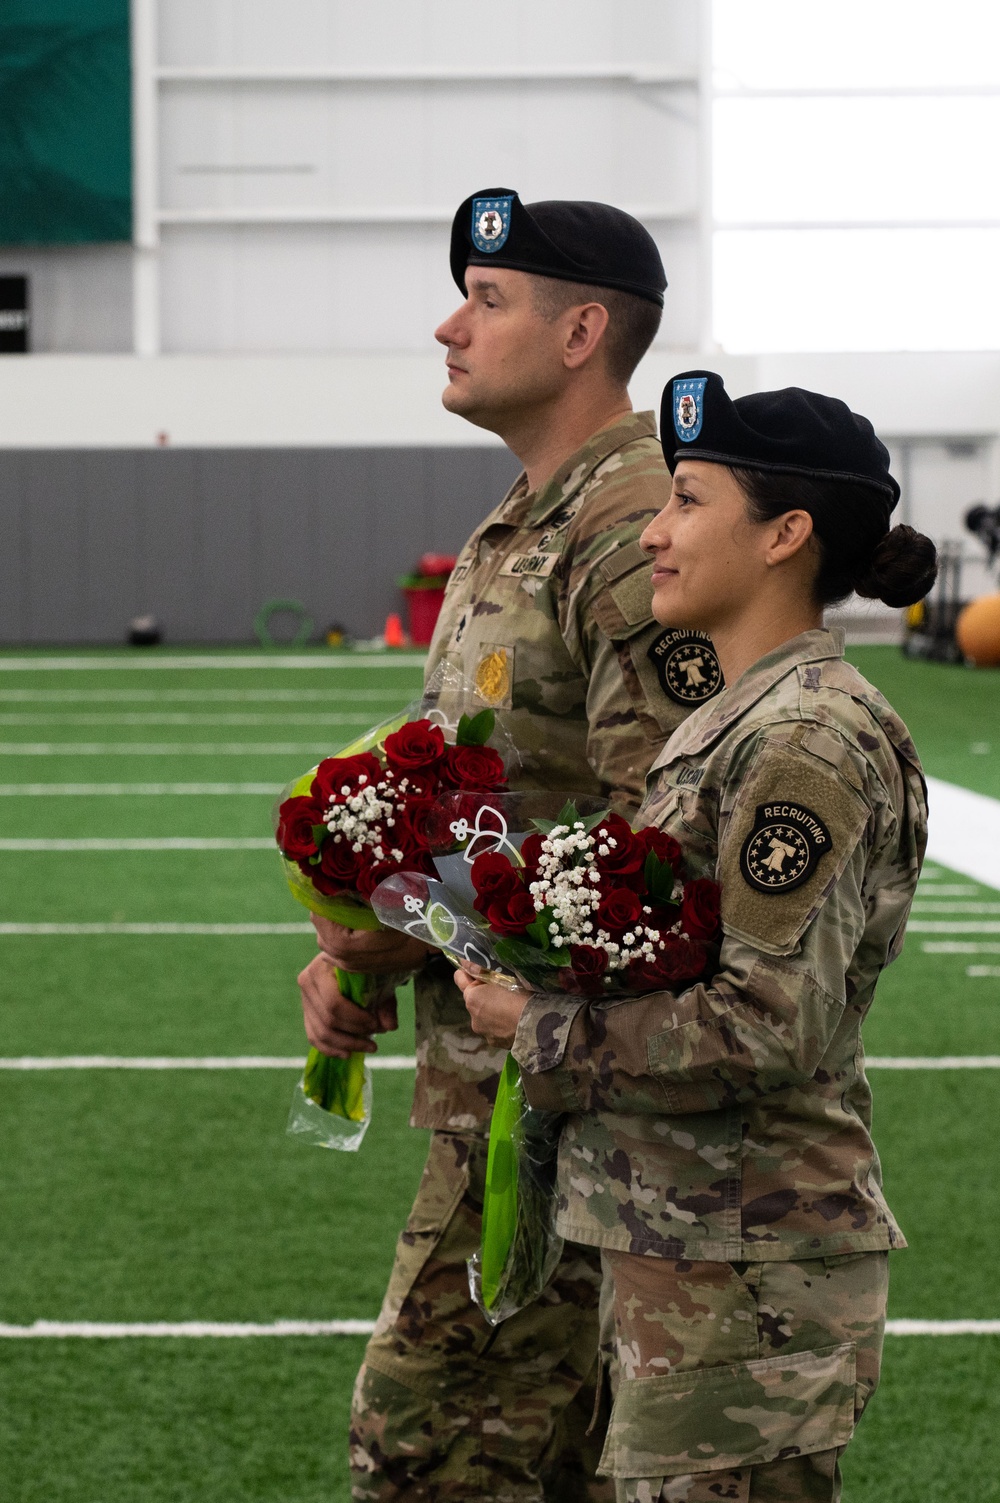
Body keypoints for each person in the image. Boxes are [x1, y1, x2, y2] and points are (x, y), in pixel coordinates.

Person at [297, 195, 724, 1501]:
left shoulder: (633, 531)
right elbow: (497, 793)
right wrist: (370, 930)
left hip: (580, 1108)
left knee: (430, 1451)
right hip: (508, 1086)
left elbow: (665, 852)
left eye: (487, 300)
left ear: (582, 328)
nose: (449, 323)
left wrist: (404, 918)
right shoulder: (531, 516)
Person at [460, 370, 938, 1502]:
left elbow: (763, 1027)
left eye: (685, 501)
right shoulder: (741, 723)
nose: (654, 534)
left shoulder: (801, 744)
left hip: (747, 1267)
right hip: (696, 1243)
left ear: (785, 534)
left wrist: (542, 1025)